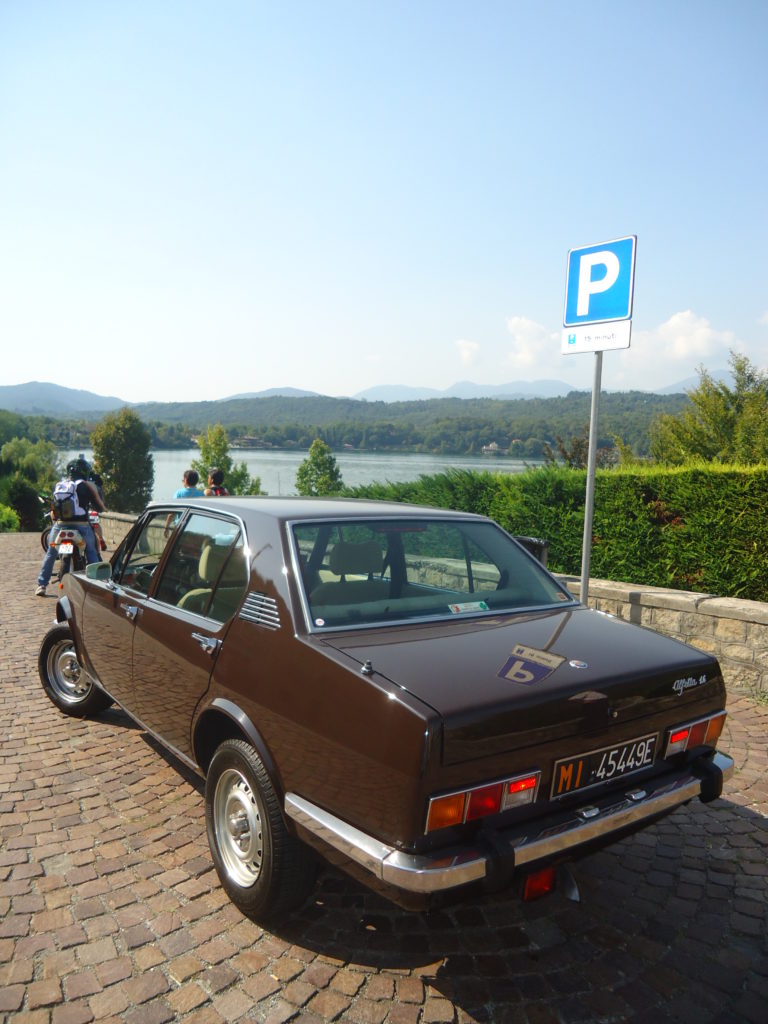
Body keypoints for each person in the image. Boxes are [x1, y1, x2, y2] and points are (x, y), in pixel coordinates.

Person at [36, 457, 105, 596]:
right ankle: (99, 584)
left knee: (51, 552)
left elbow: (54, 511)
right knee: (91, 550)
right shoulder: (86, 485)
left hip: (61, 525)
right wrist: (98, 487)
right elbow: (100, 507)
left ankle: (41, 585)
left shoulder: (60, 485)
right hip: (81, 525)